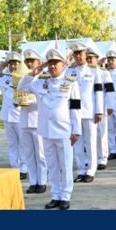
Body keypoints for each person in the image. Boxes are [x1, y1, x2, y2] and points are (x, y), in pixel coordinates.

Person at [29, 49, 81, 210]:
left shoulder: (71, 83)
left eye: (55, 63)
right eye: (49, 63)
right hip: (46, 130)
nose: (52, 67)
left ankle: (65, 195)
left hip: (64, 130)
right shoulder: (39, 82)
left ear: (62, 65)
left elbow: (75, 108)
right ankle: (55, 195)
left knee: (65, 165)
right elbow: (23, 85)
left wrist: (76, 129)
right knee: (52, 165)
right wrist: (37, 70)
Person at [66, 43, 103, 182]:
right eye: (75, 54)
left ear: (86, 54)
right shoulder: (69, 71)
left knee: (91, 141)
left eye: (80, 53)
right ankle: (81, 170)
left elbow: (98, 92)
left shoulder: (94, 71)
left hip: (89, 111)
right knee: (77, 142)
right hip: (74, 112)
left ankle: (91, 170)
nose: (78, 56)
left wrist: (99, 111)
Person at [16, 49, 47, 193]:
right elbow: (19, 92)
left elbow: (43, 97)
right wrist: (30, 76)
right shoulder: (25, 77)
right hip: (24, 120)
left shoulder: (45, 78)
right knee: (28, 153)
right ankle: (33, 181)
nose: (29, 64)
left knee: (40, 154)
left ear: (39, 63)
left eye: (32, 61)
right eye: (27, 61)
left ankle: (42, 181)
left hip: (37, 119)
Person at [0, 54, 23, 178]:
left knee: (23, 144)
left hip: (20, 116)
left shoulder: (25, 77)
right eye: (11, 63)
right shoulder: (4, 78)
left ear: (20, 64)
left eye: (16, 63)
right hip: (8, 116)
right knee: (12, 144)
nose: (14, 66)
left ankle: (24, 168)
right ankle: (15, 167)